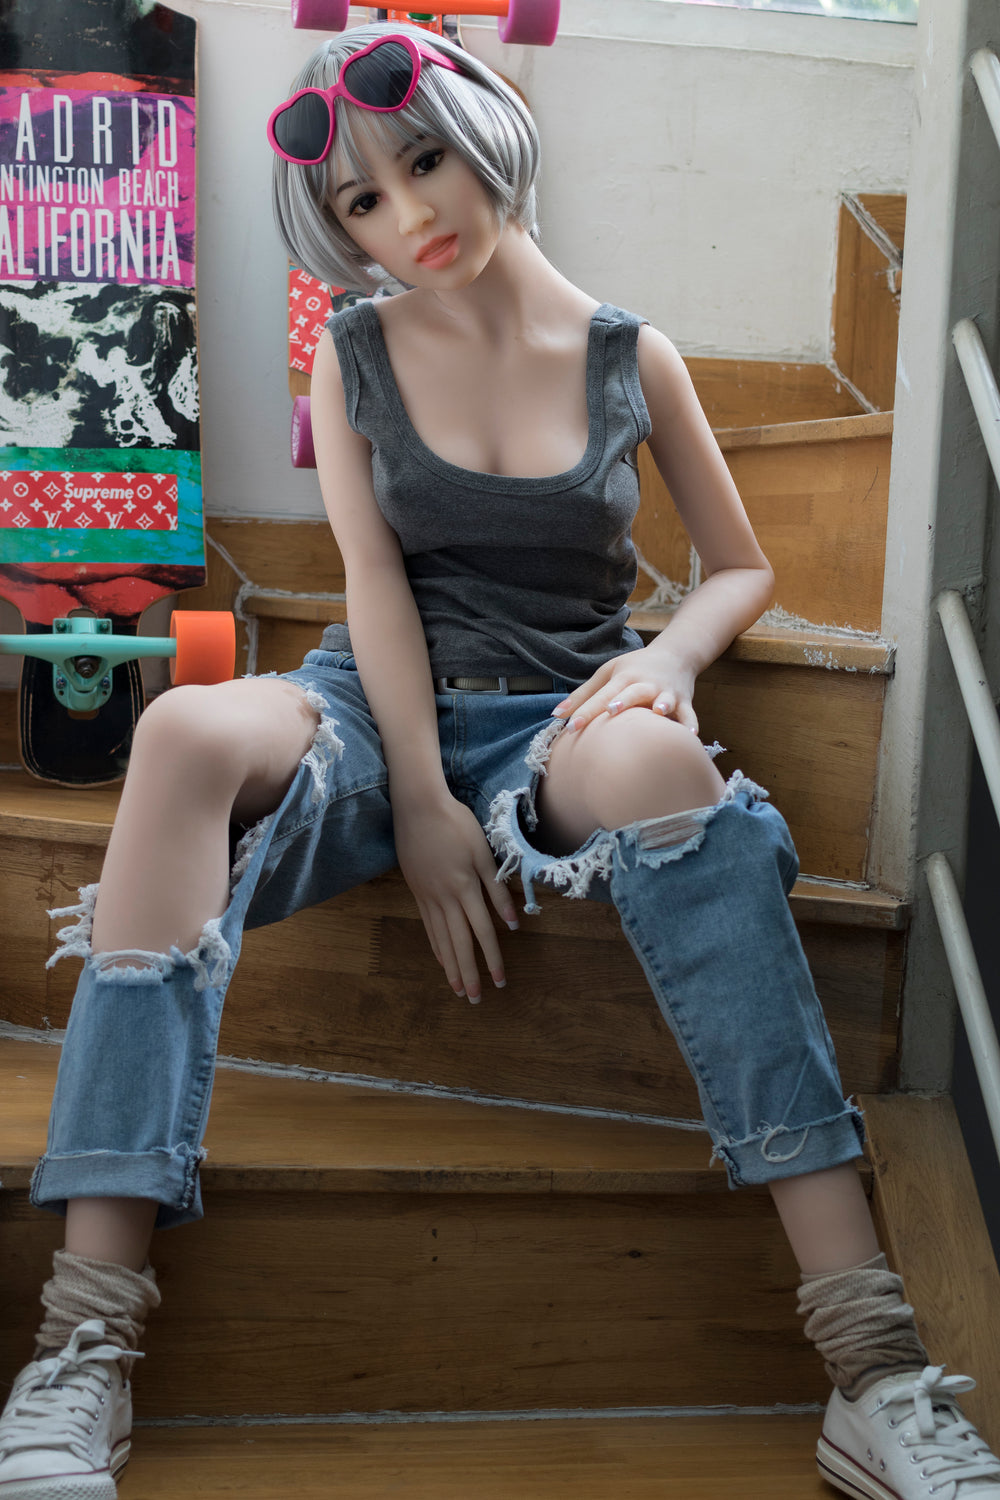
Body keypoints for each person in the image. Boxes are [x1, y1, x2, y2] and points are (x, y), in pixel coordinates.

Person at [1, 22, 997, 1500]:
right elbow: (374, 586)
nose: (411, 214)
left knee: (673, 780)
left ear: (484, 136)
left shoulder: (629, 355)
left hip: (560, 712)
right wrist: (416, 799)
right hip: (376, 702)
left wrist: (669, 660)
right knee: (179, 728)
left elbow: (741, 565)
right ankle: (82, 1348)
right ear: (341, 233)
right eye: (363, 201)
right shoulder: (352, 354)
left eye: (425, 162)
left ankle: (877, 1369)